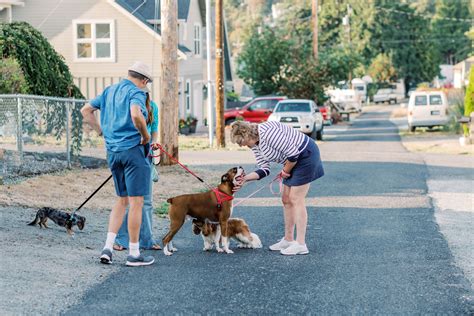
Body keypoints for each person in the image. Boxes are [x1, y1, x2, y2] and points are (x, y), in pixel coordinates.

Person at [80, 61, 155, 266]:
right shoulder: (137, 93)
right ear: (144, 80)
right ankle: (134, 253)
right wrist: (146, 136)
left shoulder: (109, 90)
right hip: (133, 151)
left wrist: (101, 131)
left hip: (113, 152)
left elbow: (86, 110)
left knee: (121, 200)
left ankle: (107, 248)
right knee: (136, 202)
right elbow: (135, 114)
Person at [230, 120, 324, 256]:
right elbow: (264, 169)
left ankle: (301, 244)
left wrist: (285, 171)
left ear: (246, 135)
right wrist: (244, 179)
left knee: (296, 199)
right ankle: (288, 240)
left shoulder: (267, 133)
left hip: (306, 155)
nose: (241, 145)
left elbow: (293, 154)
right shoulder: (255, 145)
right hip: (292, 161)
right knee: (286, 199)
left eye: (240, 142)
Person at [114, 90, 161, 251]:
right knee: (127, 201)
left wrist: (154, 142)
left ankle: (147, 240)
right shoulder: (127, 107)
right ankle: (120, 240)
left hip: (146, 156)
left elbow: (154, 129)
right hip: (129, 155)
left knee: (146, 201)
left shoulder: (153, 107)